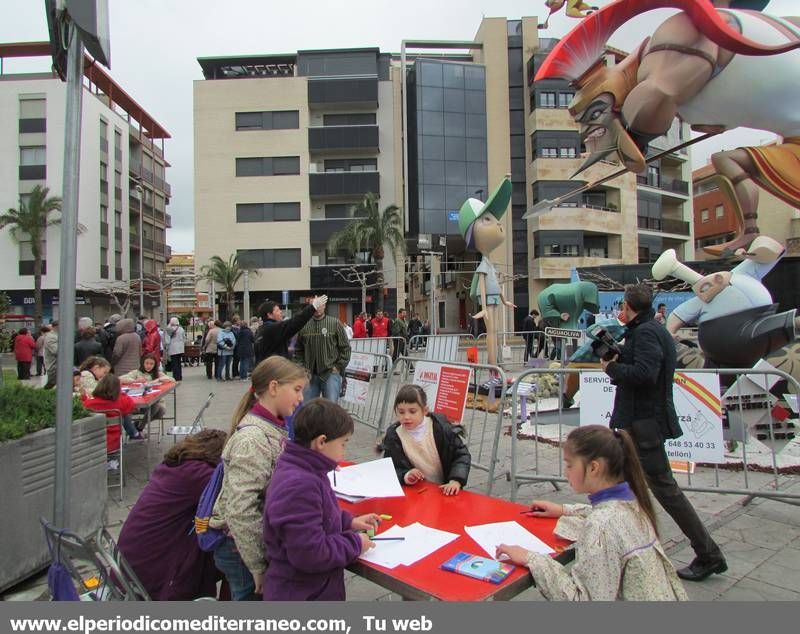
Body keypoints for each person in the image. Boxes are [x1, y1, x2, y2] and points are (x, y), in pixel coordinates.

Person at [601, 283, 726, 582]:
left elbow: (646, 373)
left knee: (665, 489)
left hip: (645, 425)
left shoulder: (646, 333)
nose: (620, 312)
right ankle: (624, 545)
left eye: (623, 307)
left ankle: (708, 554)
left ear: (631, 307)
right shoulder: (646, 330)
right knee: (624, 487)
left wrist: (612, 369)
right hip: (638, 423)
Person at [496, 425, 687, 601]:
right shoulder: (633, 502)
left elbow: (581, 599)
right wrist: (563, 510)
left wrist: (532, 559)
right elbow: (603, 513)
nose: (566, 472)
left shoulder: (600, 527)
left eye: (570, 465)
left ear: (594, 468)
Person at [209, 356, 307, 600]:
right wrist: (258, 565)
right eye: (296, 389)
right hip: (241, 549)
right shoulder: (252, 439)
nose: (301, 398)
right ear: (274, 388)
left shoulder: (270, 426)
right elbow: (241, 509)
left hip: (245, 545)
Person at [262, 399, 377, 601]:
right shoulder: (300, 484)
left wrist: (348, 521)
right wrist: (355, 542)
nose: (345, 451)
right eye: (343, 443)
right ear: (321, 442)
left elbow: (317, 514)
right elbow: (310, 553)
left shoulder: (308, 467)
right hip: (301, 594)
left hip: (311, 589)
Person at [117, 429, 227, 600]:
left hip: (129, 563)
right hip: (154, 571)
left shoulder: (173, 466)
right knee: (234, 551)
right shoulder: (199, 474)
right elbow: (232, 500)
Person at [380, 384, 470, 495]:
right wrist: (406, 475)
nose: (406, 417)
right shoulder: (394, 436)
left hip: (444, 490)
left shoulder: (441, 428)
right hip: (417, 492)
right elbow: (390, 468)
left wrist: (456, 480)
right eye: (401, 412)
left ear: (425, 410)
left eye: (412, 411)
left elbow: (461, 455)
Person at [294, 299, 351, 404]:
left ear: (324, 306)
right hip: (309, 375)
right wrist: (301, 368)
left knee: (330, 409)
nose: (317, 307)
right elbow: (298, 350)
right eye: (315, 305)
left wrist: (339, 366)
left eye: (320, 305)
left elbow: (345, 347)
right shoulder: (304, 326)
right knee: (307, 409)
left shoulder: (335, 323)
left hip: (330, 374)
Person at [253, 296, 327, 364]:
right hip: (274, 372)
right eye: (277, 310)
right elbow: (295, 322)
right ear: (269, 314)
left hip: (265, 371)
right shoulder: (272, 328)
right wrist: (312, 307)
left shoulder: (261, 330)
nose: (281, 312)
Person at [82, 373, 143, 442]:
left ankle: (135, 434)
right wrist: (122, 394)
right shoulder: (121, 402)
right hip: (114, 443)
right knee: (124, 414)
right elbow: (131, 405)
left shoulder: (89, 403)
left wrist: (84, 397)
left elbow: (83, 405)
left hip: (94, 443)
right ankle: (135, 433)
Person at [164, 317, 186, 381]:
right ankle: (179, 376)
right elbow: (184, 338)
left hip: (172, 348)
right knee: (179, 363)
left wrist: (166, 347)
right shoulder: (181, 329)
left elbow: (167, 340)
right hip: (180, 348)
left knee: (174, 363)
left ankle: (176, 377)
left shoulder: (168, 329)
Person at [43, 321, 59, 389]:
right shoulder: (51, 337)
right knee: (51, 385)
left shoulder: (57, 335)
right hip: (54, 367)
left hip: (57, 366)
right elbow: (56, 351)